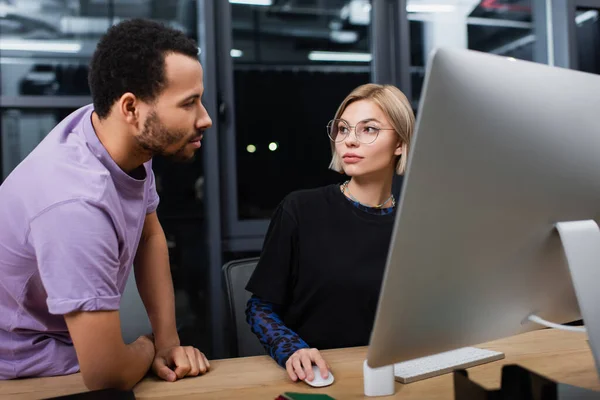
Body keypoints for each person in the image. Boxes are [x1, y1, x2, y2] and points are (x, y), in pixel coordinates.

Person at [0, 19, 212, 390]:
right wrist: (149, 345)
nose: (206, 118)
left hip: (62, 343)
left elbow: (149, 236)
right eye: (189, 103)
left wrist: (169, 341)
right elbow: (108, 376)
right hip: (20, 369)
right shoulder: (75, 206)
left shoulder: (113, 134)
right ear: (131, 108)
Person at [245, 83, 415, 383]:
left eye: (368, 129)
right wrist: (292, 350)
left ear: (400, 143)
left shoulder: (414, 225)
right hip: (321, 377)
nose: (349, 140)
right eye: (343, 129)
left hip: (394, 376)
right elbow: (260, 307)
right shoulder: (300, 209)